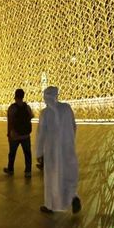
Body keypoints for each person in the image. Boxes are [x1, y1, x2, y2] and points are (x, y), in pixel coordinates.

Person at [35, 86, 80, 214]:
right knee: (67, 175)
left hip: (51, 152)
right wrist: (69, 141)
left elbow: (41, 134)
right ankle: (73, 197)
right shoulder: (66, 108)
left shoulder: (45, 113)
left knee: (52, 178)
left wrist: (39, 152)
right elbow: (73, 126)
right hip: (67, 148)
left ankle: (50, 205)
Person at [3, 88, 34, 178]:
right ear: (23, 96)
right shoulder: (27, 107)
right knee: (27, 153)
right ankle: (28, 171)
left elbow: (10, 122)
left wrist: (9, 134)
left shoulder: (12, 108)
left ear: (15, 96)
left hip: (15, 135)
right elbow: (31, 116)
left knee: (12, 153)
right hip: (25, 135)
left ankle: (10, 169)